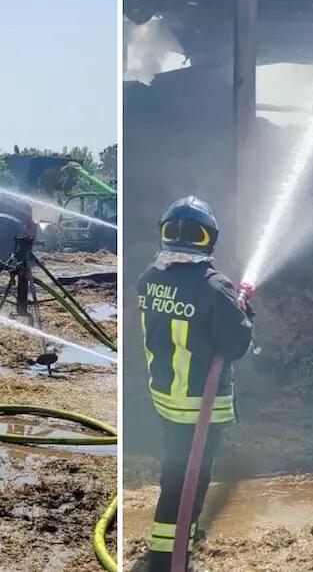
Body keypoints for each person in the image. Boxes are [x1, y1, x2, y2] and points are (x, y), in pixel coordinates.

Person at [137, 195, 254, 571]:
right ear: (209, 238)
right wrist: (243, 313)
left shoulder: (149, 278)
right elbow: (234, 345)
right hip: (199, 404)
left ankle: (170, 541)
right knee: (192, 481)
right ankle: (169, 558)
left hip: (164, 397)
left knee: (174, 473)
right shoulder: (214, 286)